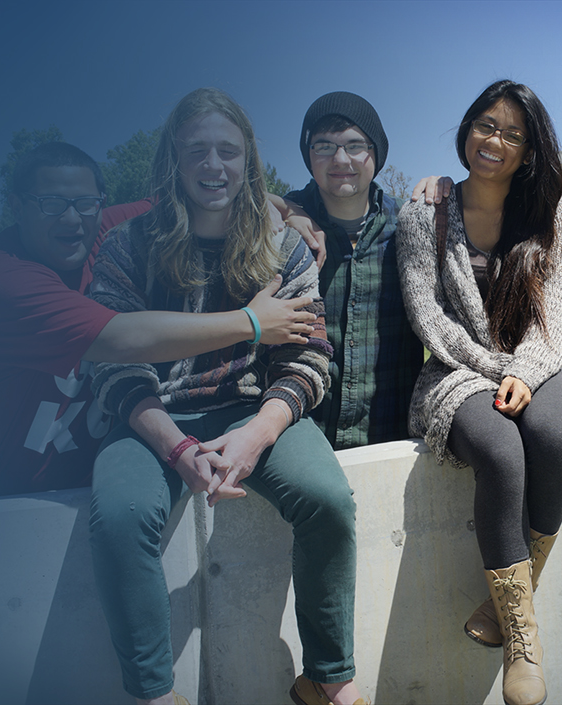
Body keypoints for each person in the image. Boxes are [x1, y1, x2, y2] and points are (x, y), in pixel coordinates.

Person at [86, 88, 363, 705]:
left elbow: (310, 355)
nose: (214, 166)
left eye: (228, 152)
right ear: (174, 162)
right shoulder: (127, 248)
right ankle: (155, 693)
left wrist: (259, 432)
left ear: (248, 160)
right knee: (121, 518)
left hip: (251, 406)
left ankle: (329, 680)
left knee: (329, 499)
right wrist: (177, 446)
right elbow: (111, 366)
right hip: (149, 415)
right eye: (197, 152)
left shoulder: (282, 246)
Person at [0, 142, 318, 503]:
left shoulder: (95, 232)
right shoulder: (2, 284)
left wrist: (287, 208)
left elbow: (204, 194)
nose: (71, 219)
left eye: (86, 204)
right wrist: (251, 322)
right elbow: (123, 338)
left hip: (71, 489)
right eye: (51, 204)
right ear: (17, 206)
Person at [396, 80, 562, 705]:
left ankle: (507, 605)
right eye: (487, 126)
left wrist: (527, 367)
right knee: (499, 449)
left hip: (543, 358)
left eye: (513, 134)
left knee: (550, 432)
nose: (496, 141)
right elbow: (427, 315)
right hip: (457, 370)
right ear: (467, 129)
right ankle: (524, 640)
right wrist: (495, 369)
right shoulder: (425, 212)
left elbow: (554, 314)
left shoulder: (557, 215)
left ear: (530, 149)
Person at [285, 92, 424, 449]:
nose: (340, 159)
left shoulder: (412, 225)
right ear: (308, 157)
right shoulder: (281, 231)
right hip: (302, 443)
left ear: (376, 154)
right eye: (324, 146)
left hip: (395, 440)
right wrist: (279, 207)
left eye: (355, 145)